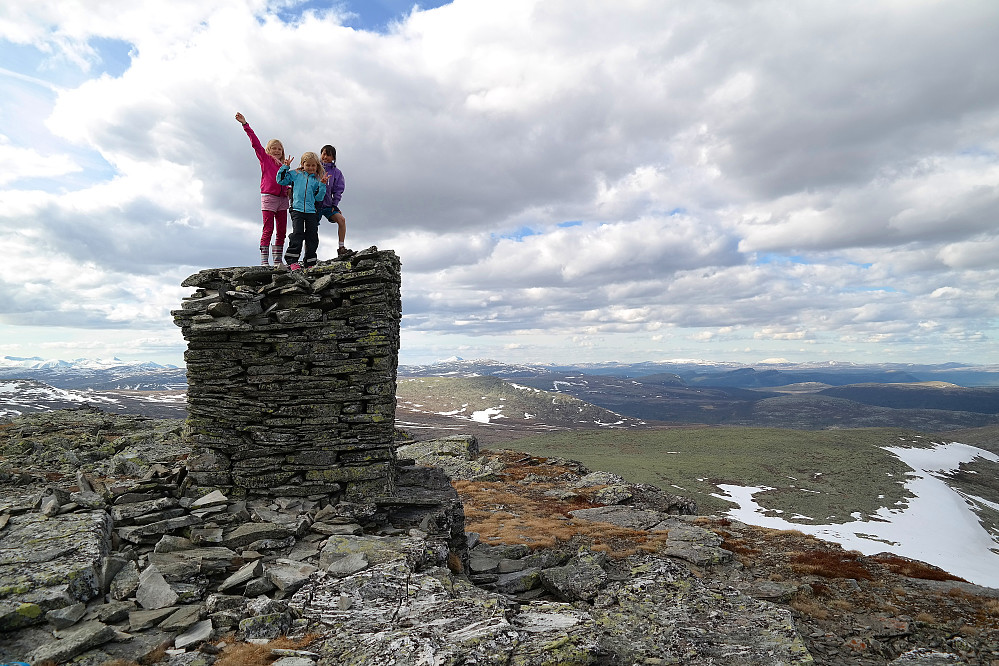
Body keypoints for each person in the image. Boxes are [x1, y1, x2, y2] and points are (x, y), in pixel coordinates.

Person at [235, 112, 289, 266]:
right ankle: (264, 261)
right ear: (268, 150)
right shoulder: (265, 159)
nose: (277, 151)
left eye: (279, 149)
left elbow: (286, 180)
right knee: (268, 229)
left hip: (283, 199)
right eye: (274, 148)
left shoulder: (284, 165)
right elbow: (255, 144)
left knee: (282, 231)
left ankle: (278, 261)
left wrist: (289, 189)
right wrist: (246, 125)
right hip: (269, 197)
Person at [277, 152, 328, 271]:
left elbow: (318, 198)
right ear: (303, 164)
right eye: (308, 165)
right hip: (296, 209)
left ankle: (310, 261)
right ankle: (292, 261)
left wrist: (323, 185)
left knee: (312, 236)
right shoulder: (295, 174)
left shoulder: (317, 180)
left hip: (311, 211)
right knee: (297, 234)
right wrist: (285, 167)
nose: (310, 168)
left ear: (317, 166)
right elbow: (281, 180)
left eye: (313, 166)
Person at [319, 144, 352, 257]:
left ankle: (341, 247)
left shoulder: (336, 172)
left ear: (333, 158)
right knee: (311, 228)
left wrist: (335, 205)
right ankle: (309, 255)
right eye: (324, 154)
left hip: (328, 205)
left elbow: (338, 190)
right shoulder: (315, 167)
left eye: (329, 155)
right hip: (314, 205)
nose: (325, 157)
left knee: (341, 220)